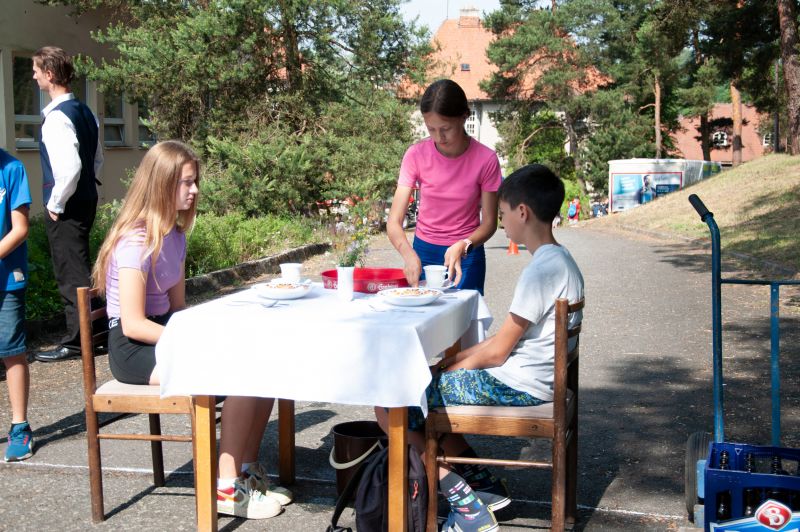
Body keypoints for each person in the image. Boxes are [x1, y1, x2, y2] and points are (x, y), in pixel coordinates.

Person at [376, 164, 584, 532]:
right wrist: (450, 363)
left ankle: (466, 504)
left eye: (502, 213)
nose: (501, 222)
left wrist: (448, 370)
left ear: (523, 212)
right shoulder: (561, 260)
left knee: (393, 399)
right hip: (533, 378)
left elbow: (498, 352)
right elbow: (503, 339)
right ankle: (483, 485)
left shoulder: (541, 271)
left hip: (520, 385)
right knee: (427, 388)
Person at [91, 141, 292, 519]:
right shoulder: (135, 240)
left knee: (262, 363)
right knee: (236, 372)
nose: (195, 189)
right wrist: (195, 339)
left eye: (195, 181)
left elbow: (177, 311)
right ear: (161, 184)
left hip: (163, 334)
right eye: (186, 182)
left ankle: (246, 474)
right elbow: (133, 323)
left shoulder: (175, 235)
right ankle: (226, 489)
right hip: (132, 348)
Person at [387, 79, 501, 294]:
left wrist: (465, 244)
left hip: (467, 254)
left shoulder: (486, 159)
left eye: (446, 128)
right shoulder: (415, 154)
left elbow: (489, 224)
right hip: (423, 252)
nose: (439, 137)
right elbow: (394, 221)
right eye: (431, 129)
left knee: (465, 315)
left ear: (464, 117)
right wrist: (408, 255)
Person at [33, 46, 105, 363]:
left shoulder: (56, 118)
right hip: (86, 197)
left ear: (49, 74)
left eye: (36, 71)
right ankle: (96, 333)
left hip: (68, 205)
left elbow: (71, 167)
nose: (33, 76)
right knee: (81, 267)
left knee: (70, 272)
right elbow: (97, 159)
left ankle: (78, 342)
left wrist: (56, 203)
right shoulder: (85, 111)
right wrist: (87, 184)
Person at [1, 149, 35, 462]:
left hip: (7, 279)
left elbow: (20, 229)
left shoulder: (12, 168)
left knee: (11, 350)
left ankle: (20, 426)